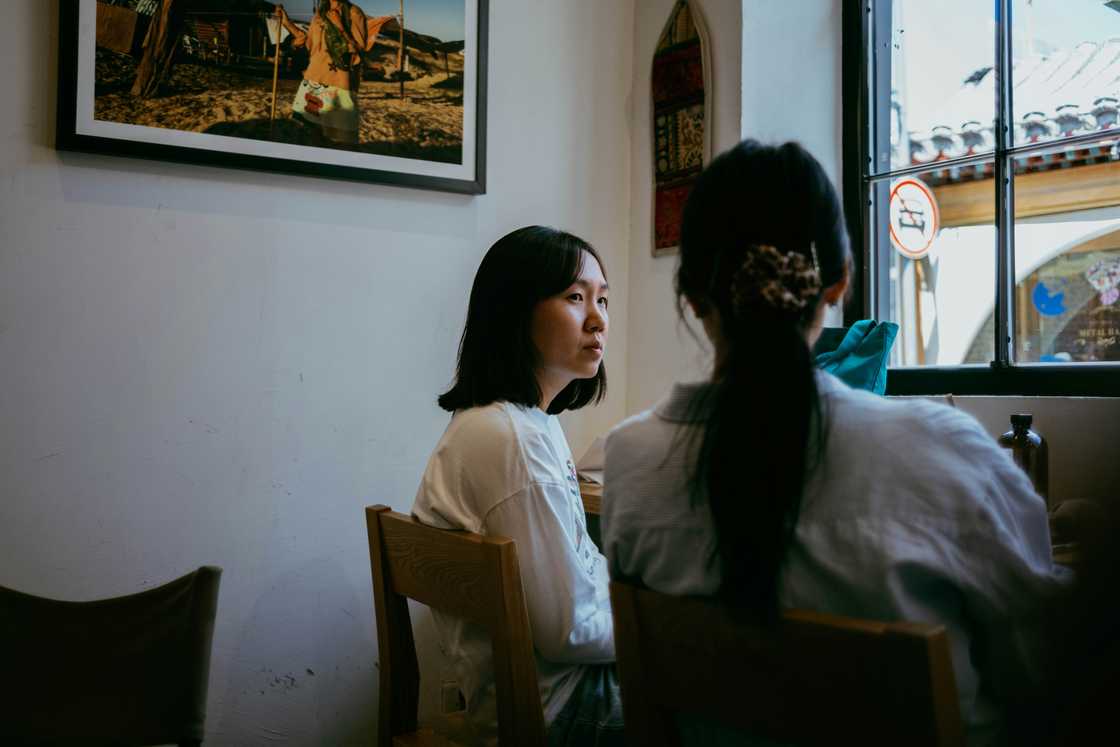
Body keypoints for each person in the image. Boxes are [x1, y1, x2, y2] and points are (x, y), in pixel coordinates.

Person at [600, 139, 1065, 746]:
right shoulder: (943, 453)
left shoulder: (632, 460)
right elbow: (1043, 675)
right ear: (840, 281)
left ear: (690, 293)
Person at [412, 226, 622, 746]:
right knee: (741, 691)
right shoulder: (512, 438)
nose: (598, 319)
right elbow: (566, 631)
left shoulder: (521, 423)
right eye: (575, 298)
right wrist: (663, 624)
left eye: (602, 299)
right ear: (515, 310)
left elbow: (578, 577)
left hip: (530, 696)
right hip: (557, 711)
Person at [275, 1, 370, 145]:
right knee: (313, 134)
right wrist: (287, 23)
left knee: (339, 140)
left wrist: (340, 26)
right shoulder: (320, 13)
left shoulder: (354, 13)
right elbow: (308, 43)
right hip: (314, 80)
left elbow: (359, 50)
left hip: (339, 84)